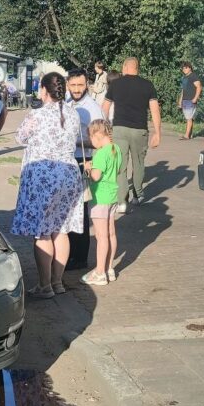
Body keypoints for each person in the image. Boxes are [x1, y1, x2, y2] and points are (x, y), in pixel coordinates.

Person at [11, 72, 83, 299]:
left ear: (44, 90)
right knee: (61, 229)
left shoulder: (37, 115)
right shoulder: (73, 113)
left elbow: (20, 138)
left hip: (43, 177)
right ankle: (57, 282)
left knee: (42, 232)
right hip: (69, 175)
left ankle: (44, 285)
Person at [102, 57, 161, 214]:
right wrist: (157, 132)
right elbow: (155, 109)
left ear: (125, 67)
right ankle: (138, 195)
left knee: (120, 165)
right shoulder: (148, 85)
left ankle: (122, 201)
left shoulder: (115, 84)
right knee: (138, 163)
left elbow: (105, 107)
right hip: (139, 130)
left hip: (119, 128)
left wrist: (105, 128)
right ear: (137, 68)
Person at [65, 68, 104, 271]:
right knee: (70, 209)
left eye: (81, 85)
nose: (77, 89)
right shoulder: (67, 102)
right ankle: (70, 252)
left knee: (80, 210)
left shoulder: (93, 108)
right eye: (74, 85)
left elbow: (100, 140)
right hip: (69, 160)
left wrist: (76, 139)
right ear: (67, 85)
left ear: (87, 85)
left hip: (84, 161)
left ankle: (79, 258)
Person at [81, 120, 122, 286]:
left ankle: (99, 273)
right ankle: (109, 268)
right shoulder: (116, 149)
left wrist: (88, 168)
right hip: (112, 196)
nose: (91, 142)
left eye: (91, 137)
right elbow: (118, 170)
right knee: (111, 234)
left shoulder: (101, 154)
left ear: (97, 135)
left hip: (100, 198)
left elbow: (96, 176)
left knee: (101, 236)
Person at [177, 61, 202, 140]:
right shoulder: (184, 78)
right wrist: (180, 100)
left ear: (190, 68)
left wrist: (195, 98)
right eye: (183, 68)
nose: (184, 69)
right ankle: (189, 134)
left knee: (189, 118)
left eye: (186, 68)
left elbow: (199, 87)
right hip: (185, 100)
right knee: (188, 117)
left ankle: (187, 135)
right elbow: (183, 90)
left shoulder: (193, 76)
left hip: (191, 100)